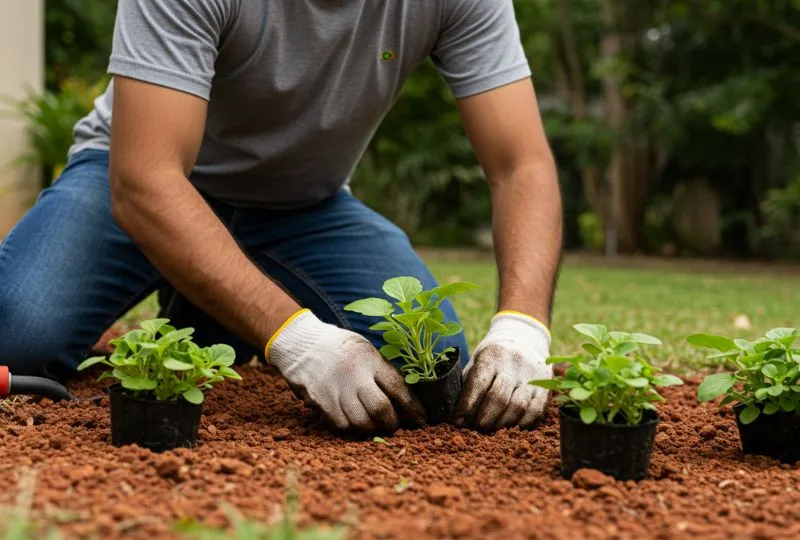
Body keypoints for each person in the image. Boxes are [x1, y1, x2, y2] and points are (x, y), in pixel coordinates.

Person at [0, 0, 562, 433]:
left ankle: (207, 302)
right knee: (16, 336)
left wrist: (523, 327)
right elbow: (146, 178)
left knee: (428, 365)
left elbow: (521, 166)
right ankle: (209, 289)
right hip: (140, 181)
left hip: (304, 205)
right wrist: (298, 339)